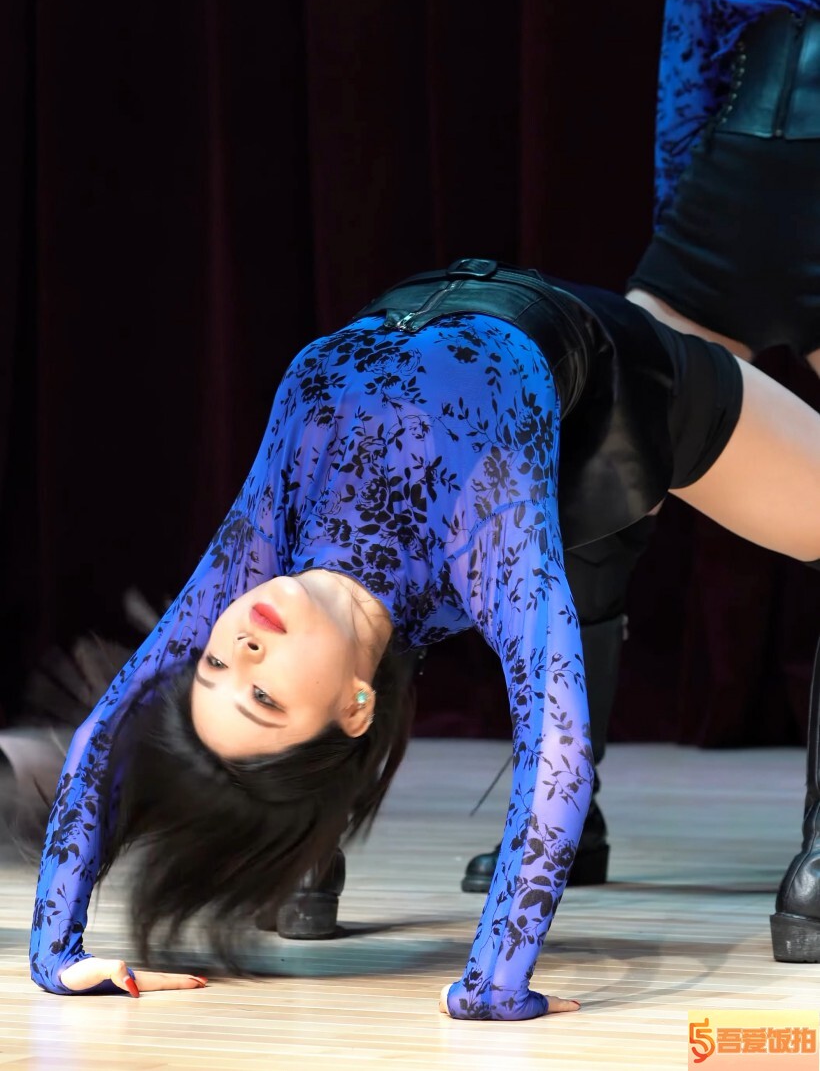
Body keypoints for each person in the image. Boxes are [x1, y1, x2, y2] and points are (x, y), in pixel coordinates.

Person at [29, 259, 820, 1020]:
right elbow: (557, 749)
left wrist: (55, 953)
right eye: (262, 697)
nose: (242, 650)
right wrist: (494, 982)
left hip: (528, 352)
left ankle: (306, 850)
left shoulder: (265, 536)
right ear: (355, 707)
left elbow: (109, 725)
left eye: (213, 664)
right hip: (624, 394)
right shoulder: (478, 533)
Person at [464, 0, 820, 903]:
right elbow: (691, 55)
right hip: (728, 202)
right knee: (599, 449)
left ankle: (563, 813)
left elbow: (689, 66)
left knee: (604, 448)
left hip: (730, 188)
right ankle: (561, 807)